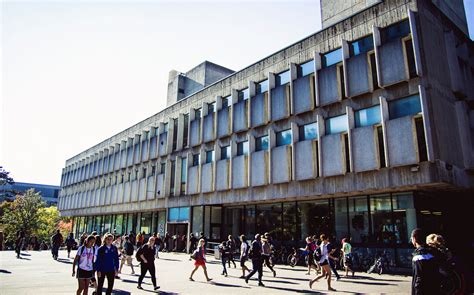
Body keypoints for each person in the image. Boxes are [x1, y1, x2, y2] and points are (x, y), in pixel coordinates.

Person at [411, 228, 440, 294]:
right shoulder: (432, 252)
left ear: (414, 239)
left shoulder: (419, 256)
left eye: (411, 238)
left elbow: (419, 279)